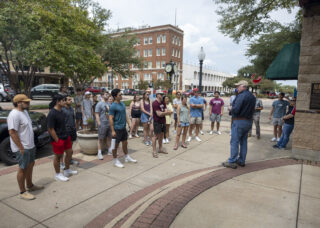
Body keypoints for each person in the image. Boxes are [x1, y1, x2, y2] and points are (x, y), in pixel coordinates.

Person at [7, 94, 44, 200]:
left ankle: (30, 185)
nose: (28, 103)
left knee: (31, 164)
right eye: (26, 102)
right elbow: (12, 132)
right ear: (19, 103)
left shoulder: (24, 112)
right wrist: (21, 147)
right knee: (22, 168)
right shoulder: (14, 115)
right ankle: (22, 192)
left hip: (30, 145)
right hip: (22, 147)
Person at [222, 80, 256, 169]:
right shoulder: (252, 96)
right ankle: (241, 160)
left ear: (243, 86)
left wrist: (230, 108)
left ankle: (232, 161)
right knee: (243, 141)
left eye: (238, 86)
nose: (237, 88)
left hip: (239, 121)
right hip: (248, 121)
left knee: (234, 141)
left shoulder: (241, 95)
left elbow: (236, 109)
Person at [47, 94, 78, 181]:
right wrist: (57, 140)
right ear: (58, 102)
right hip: (58, 138)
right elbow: (50, 128)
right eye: (63, 100)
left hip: (66, 136)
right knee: (58, 156)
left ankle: (67, 170)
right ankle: (57, 174)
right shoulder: (52, 113)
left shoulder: (61, 111)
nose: (65, 102)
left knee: (69, 152)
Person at [109, 89, 137, 168]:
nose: (121, 96)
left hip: (123, 128)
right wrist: (112, 130)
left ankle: (127, 156)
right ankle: (115, 160)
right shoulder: (113, 106)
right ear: (115, 97)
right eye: (119, 95)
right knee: (115, 146)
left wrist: (129, 123)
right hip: (117, 128)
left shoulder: (122, 104)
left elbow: (125, 114)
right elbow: (110, 118)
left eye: (121, 94)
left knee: (125, 143)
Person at [152, 91, 172, 158]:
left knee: (161, 136)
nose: (162, 95)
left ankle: (160, 149)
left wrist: (164, 112)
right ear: (157, 95)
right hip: (157, 122)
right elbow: (159, 114)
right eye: (160, 94)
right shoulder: (155, 103)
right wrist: (167, 112)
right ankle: (154, 151)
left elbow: (164, 111)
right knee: (155, 136)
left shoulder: (163, 102)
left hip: (163, 121)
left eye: (162, 94)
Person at [62, 95, 79, 166]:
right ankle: (61, 162)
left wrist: (75, 127)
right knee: (63, 147)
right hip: (65, 130)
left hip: (72, 129)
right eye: (69, 100)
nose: (71, 101)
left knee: (70, 146)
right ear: (65, 101)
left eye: (71, 99)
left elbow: (73, 118)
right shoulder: (62, 110)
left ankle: (70, 159)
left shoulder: (72, 108)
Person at [95, 92, 112, 160]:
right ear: (102, 95)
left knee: (109, 137)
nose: (107, 95)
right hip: (102, 123)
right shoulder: (99, 104)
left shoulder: (109, 103)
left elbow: (110, 113)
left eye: (108, 94)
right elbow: (96, 114)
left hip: (109, 123)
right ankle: (99, 153)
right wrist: (99, 122)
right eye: (106, 94)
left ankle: (109, 150)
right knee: (101, 138)